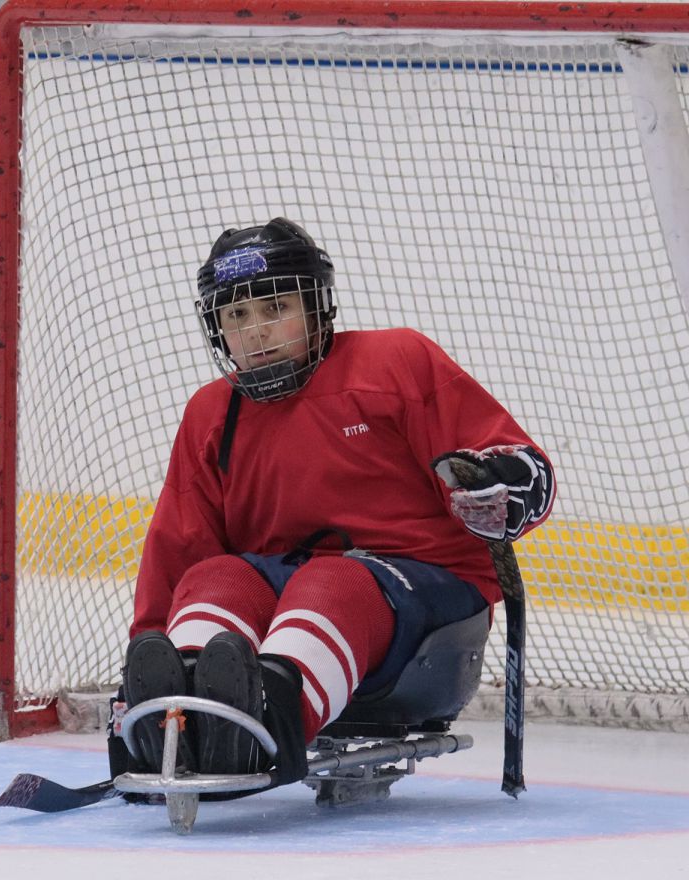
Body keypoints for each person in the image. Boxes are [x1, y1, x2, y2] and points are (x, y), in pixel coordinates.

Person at [117, 218, 555, 789]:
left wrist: (502, 485)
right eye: (236, 315)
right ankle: (178, 719)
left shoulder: (394, 361)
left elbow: (513, 462)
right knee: (215, 577)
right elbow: (180, 547)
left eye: (276, 307)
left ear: (318, 308)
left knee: (332, 580)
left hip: (428, 606)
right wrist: (141, 664)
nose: (255, 332)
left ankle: (262, 727)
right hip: (293, 587)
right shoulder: (212, 413)